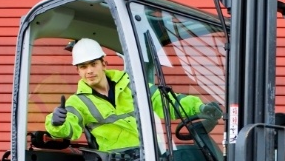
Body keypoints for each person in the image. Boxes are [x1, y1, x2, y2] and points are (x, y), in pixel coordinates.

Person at [45, 38, 222, 152]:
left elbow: (167, 101)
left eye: (93, 64)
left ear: (104, 64)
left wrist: (200, 107)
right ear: (78, 71)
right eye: (83, 67)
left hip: (153, 159)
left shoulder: (133, 85)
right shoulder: (77, 102)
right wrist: (56, 123)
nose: (89, 71)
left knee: (190, 156)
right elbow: (70, 128)